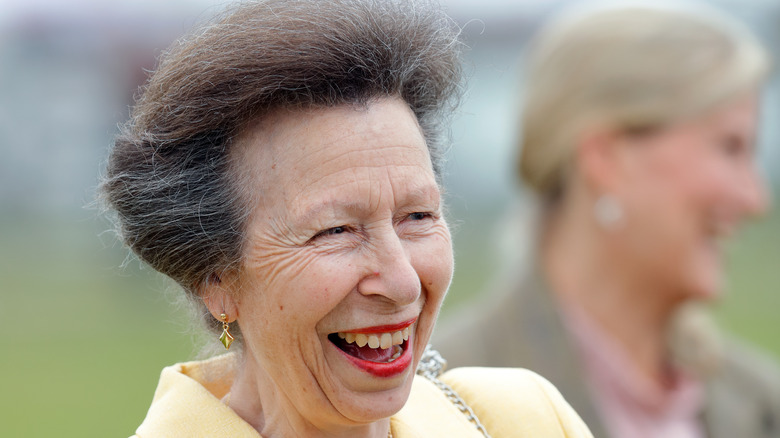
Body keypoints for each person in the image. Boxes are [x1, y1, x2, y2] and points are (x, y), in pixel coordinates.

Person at [100, 1, 593, 437]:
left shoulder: (520, 421)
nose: (401, 282)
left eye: (417, 216)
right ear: (216, 279)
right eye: (336, 230)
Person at [434, 3, 780, 438]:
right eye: (730, 147)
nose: (756, 199)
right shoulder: (441, 399)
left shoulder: (762, 403)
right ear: (606, 159)